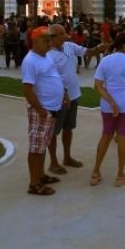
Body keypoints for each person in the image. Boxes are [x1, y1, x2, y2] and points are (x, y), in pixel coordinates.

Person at [46, 24, 106, 175]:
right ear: (53, 36)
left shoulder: (69, 46)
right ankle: (53, 162)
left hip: (73, 95)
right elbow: (48, 79)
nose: (66, 35)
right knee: (53, 132)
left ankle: (67, 157)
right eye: (63, 34)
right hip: (56, 100)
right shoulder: (47, 55)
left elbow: (88, 52)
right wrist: (62, 92)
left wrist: (99, 47)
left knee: (68, 128)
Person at [91, 31, 125, 187]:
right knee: (123, 137)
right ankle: (120, 174)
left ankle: (95, 172)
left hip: (108, 106)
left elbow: (98, 85)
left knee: (106, 136)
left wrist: (111, 101)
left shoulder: (105, 61)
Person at [21, 26, 65, 196]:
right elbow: (27, 89)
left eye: (49, 40)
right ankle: (34, 184)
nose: (49, 43)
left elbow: (53, 77)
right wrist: (40, 110)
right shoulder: (30, 61)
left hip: (50, 109)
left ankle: (41, 175)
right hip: (42, 110)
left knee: (42, 146)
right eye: (45, 40)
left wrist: (64, 93)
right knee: (36, 148)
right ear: (35, 42)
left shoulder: (45, 57)